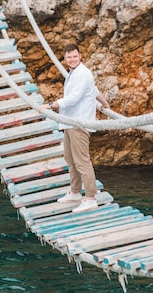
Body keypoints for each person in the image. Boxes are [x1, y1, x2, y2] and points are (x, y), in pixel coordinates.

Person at [38, 43, 110, 213]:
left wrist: (51, 105)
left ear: (80, 56)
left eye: (74, 56)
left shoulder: (83, 73)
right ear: (65, 59)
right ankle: (75, 192)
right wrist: (105, 103)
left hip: (79, 123)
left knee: (82, 161)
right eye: (69, 57)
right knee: (70, 159)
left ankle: (91, 198)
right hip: (69, 122)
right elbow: (93, 90)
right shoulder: (73, 73)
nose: (72, 59)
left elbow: (75, 97)